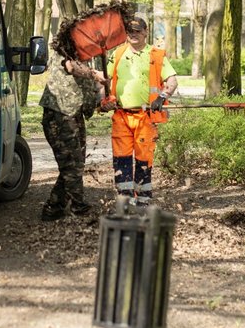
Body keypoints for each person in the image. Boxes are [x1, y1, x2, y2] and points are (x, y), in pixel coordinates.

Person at [105, 17, 178, 206]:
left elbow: (171, 80)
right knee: (121, 159)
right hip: (121, 115)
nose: (133, 34)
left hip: (146, 117)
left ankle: (143, 199)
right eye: (130, 30)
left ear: (146, 32)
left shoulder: (156, 55)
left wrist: (162, 97)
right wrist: (103, 100)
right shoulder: (118, 54)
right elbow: (104, 81)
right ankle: (125, 199)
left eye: (137, 30)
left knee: (144, 158)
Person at [39, 49, 106, 221]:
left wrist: (101, 102)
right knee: (72, 165)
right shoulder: (64, 50)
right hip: (60, 113)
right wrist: (94, 74)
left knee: (74, 163)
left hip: (75, 115)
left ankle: (54, 207)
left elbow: (89, 89)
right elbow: (71, 67)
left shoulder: (87, 56)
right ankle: (79, 209)